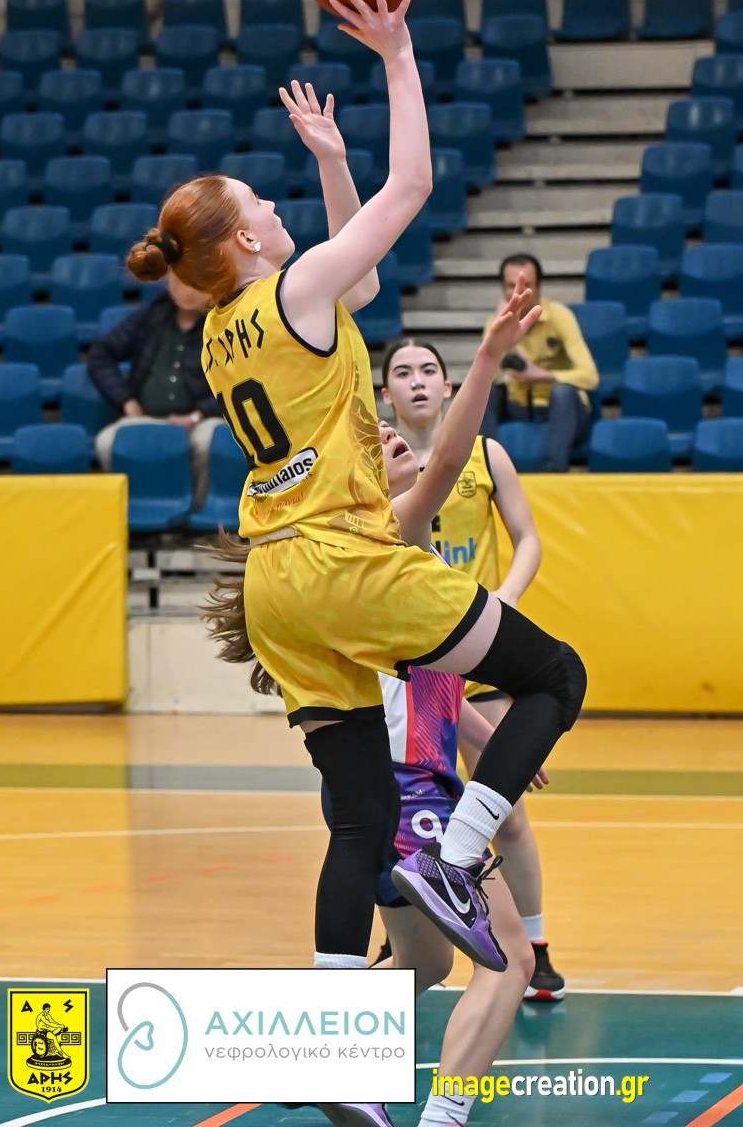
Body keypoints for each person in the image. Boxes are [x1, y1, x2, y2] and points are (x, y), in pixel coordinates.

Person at [127, 0, 585, 1072]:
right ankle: (459, 851)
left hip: (275, 582)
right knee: (555, 676)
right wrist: (397, 53)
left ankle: (329, 1049)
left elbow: (361, 277)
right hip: (342, 557)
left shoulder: (230, 326)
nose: (280, 207)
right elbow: (413, 186)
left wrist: (333, 163)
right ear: (248, 236)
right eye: (266, 201)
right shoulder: (290, 291)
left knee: (358, 815)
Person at [211, 285, 544, 1127]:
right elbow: (450, 461)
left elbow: (429, 679)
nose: (396, 440)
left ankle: (318, 1053)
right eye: (382, 440)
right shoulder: (378, 533)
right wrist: (488, 358)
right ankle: (443, 1116)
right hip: (409, 788)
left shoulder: (380, 550)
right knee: (507, 961)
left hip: (392, 778)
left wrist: (479, 733)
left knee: (425, 965)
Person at [380, 339, 563, 1003]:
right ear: (385, 395)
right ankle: (406, 940)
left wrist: (503, 601)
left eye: (429, 370)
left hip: (476, 646)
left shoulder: (486, 455)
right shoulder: (379, 465)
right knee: (405, 807)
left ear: (449, 387)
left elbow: (529, 538)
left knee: (506, 815)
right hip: (416, 657)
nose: (418, 381)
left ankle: (534, 947)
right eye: (403, 372)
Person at [86, 275, 220, 504]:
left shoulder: (221, 323)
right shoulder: (149, 317)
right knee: (107, 441)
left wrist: (198, 414)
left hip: (199, 419)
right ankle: (129, 506)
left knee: (210, 440)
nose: (187, 290)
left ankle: (199, 509)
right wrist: (126, 400)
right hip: (146, 417)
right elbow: (100, 356)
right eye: (180, 282)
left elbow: (236, 378)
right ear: (168, 286)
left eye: (194, 283)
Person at [479, 254, 597, 472]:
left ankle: (555, 472)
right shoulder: (495, 322)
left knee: (562, 393)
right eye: (511, 286)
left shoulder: (559, 316)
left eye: (526, 286)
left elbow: (590, 376)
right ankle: (489, 471)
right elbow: (484, 378)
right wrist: (500, 332)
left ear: (540, 287)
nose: (518, 293)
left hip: (561, 410)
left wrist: (541, 375)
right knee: (485, 394)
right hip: (518, 405)